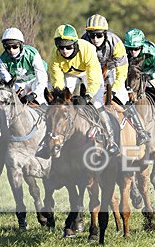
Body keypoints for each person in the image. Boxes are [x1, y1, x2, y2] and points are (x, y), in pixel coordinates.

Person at [44, 23, 119, 156]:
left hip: (88, 73)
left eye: (68, 47)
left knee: (97, 104)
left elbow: (94, 78)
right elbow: (58, 81)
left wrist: (87, 96)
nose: (65, 50)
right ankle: (48, 141)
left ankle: (111, 140)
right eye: (61, 47)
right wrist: (61, 98)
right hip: (69, 74)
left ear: (75, 44)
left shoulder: (88, 49)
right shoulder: (54, 57)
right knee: (58, 108)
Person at [82, 14, 148, 144]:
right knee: (87, 99)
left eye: (99, 35)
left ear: (105, 34)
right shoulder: (83, 42)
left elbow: (122, 71)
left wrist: (115, 89)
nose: (95, 39)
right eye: (91, 35)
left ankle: (141, 132)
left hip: (113, 68)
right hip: (92, 70)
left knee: (123, 97)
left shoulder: (115, 43)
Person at [122, 27, 155, 132]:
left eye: (136, 48)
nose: (133, 52)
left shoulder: (152, 51)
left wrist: (151, 76)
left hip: (150, 71)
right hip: (132, 73)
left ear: (142, 46)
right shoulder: (124, 52)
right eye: (130, 48)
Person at [0, 27, 48, 104]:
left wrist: (34, 94)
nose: (11, 50)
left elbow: (41, 79)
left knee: (39, 100)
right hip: (19, 83)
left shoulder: (32, 54)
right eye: (8, 47)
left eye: (14, 46)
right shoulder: (1, 60)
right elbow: (9, 83)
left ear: (21, 45)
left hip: (35, 80)